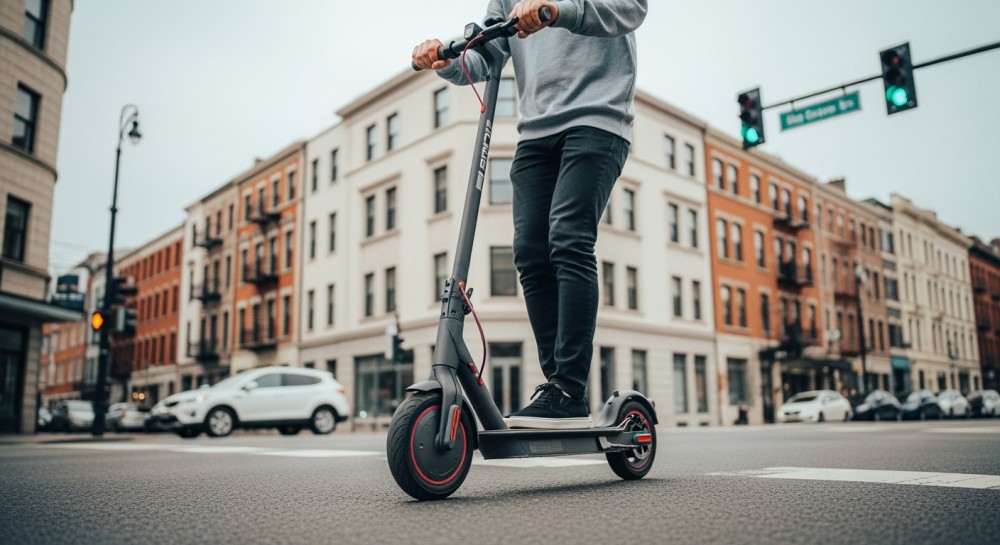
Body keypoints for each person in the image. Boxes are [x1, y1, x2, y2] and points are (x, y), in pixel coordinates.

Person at [412, 0, 648, 429]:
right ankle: (557, 389)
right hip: (536, 132)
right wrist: (443, 58)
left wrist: (558, 10)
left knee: (569, 239)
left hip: (598, 119)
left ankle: (568, 388)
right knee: (530, 252)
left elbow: (630, 9)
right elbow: (487, 52)